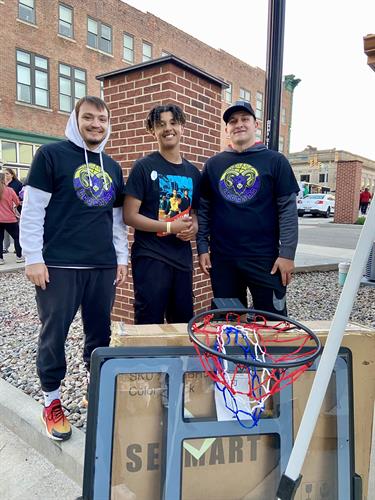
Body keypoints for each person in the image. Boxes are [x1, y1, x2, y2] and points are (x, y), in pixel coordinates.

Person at [19, 96, 128, 441]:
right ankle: (52, 401)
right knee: (55, 334)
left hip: (101, 267)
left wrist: (120, 259)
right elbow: (33, 210)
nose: (96, 124)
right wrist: (33, 257)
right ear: (76, 119)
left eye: (102, 119)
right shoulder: (51, 156)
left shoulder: (112, 166)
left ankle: (97, 392)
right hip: (59, 265)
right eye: (89, 118)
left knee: (98, 334)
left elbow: (116, 221)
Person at [197, 100, 299, 316]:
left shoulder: (275, 161)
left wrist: (287, 254)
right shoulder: (213, 165)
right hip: (223, 259)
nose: (239, 124)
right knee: (228, 324)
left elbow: (287, 210)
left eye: (245, 119)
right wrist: (203, 248)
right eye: (233, 121)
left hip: (266, 259)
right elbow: (204, 209)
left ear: (256, 124)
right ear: (226, 129)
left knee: (274, 323)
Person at [124, 103, 200, 324]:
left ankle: (178, 361)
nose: (168, 128)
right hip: (151, 257)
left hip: (182, 259)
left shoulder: (193, 172)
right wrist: (169, 227)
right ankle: (147, 361)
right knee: (149, 322)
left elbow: (195, 211)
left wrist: (193, 227)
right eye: (161, 124)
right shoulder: (143, 167)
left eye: (173, 123)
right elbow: (129, 216)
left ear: (182, 127)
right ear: (153, 130)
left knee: (183, 323)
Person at [0, 172, 23, 264]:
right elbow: (17, 202)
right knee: (17, 237)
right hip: (9, 218)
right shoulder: (9, 190)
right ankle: (19, 257)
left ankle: (0, 259)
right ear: (4, 180)